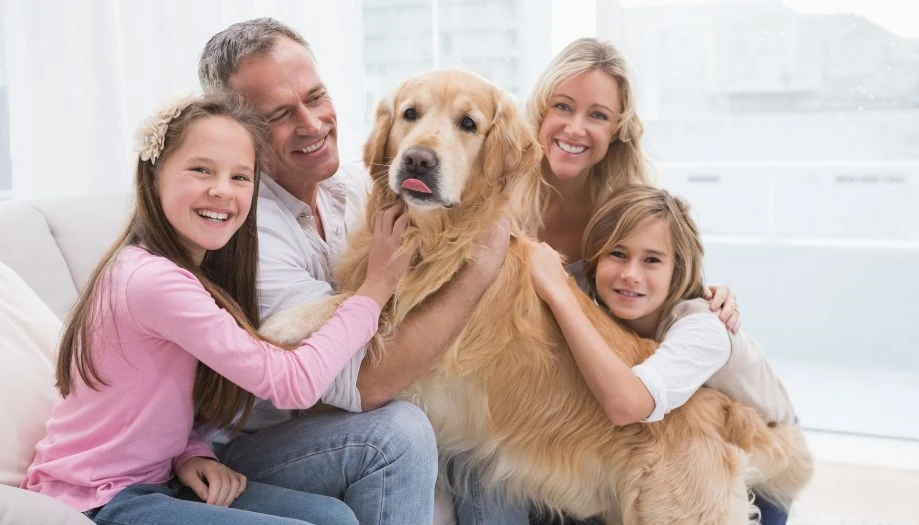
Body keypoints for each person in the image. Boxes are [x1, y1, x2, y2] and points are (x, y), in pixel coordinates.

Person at [22, 93, 417, 525]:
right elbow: (293, 383)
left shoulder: (193, 269)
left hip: (160, 479)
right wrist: (375, 289)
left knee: (333, 517)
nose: (222, 190)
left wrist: (190, 451)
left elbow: (156, 397)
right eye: (201, 170)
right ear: (154, 176)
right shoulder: (153, 281)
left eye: (240, 177)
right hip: (99, 499)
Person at [197, 18, 508, 524]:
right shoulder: (246, 231)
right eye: (280, 113)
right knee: (400, 431)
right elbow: (363, 385)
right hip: (251, 447)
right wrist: (482, 267)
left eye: (315, 97)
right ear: (239, 132)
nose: (313, 124)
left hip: (330, 420)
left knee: (486, 430)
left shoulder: (352, 189)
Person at [452, 37, 741, 525]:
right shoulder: (494, 183)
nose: (575, 128)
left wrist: (703, 301)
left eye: (598, 115)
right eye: (562, 107)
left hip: (586, 400)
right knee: (480, 470)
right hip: (505, 389)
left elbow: (662, 294)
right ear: (539, 111)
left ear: (619, 130)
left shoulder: (629, 206)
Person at [529, 184, 798, 524]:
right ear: (595, 262)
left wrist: (557, 291)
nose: (631, 274)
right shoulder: (616, 308)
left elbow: (627, 405)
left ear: (677, 271)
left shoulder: (706, 329)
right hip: (682, 437)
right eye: (617, 254)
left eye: (652, 260)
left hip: (762, 458)